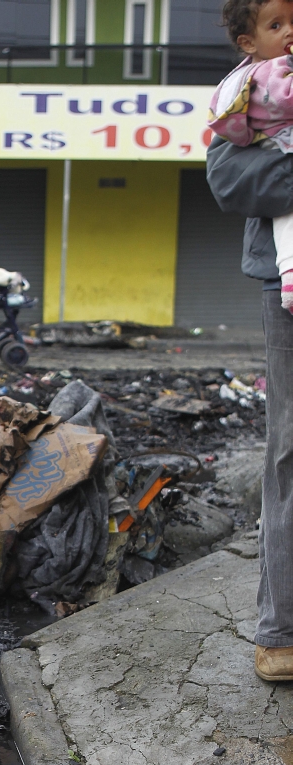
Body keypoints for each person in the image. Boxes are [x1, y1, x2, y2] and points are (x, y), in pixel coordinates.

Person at [208, 0, 293, 681]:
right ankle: (281, 629)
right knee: (290, 452)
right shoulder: (250, 94)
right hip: (286, 288)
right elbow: (231, 178)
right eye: (278, 22)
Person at [208, 0, 293, 308]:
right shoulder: (267, 73)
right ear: (248, 43)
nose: (290, 31)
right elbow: (227, 182)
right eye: (276, 26)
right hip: (280, 147)